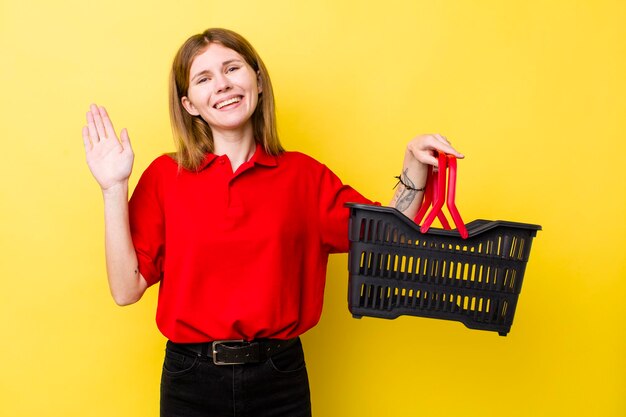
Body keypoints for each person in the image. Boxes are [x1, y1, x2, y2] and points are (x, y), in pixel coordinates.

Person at [81, 28, 463, 417]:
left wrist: (414, 164)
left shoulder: (303, 176)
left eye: (233, 68)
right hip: (190, 380)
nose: (223, 85)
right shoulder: (165, 176)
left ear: (258, 81)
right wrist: (113, 189)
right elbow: (126, 290)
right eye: (204, 78)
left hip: (279, 378)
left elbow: (385, 233)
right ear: (190, 104)